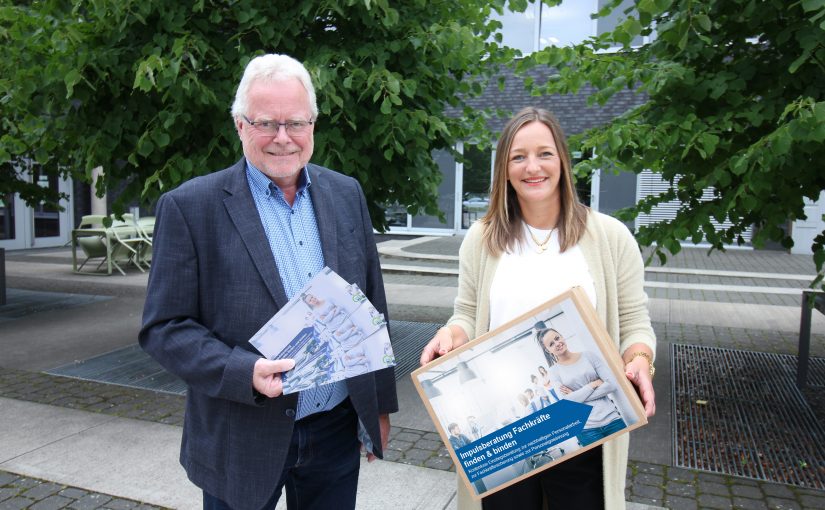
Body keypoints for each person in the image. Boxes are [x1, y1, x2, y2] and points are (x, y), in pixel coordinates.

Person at [140, 53, 396, 510]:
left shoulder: (346, 193)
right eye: (266, 123)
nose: (283, 138)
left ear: (313, 125)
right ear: (240, 125)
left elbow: (371, 306)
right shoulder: (189, 207)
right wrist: (244, 372)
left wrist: (378, 405)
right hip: (241, 432)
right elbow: (164, 327)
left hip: (335, 429)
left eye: (296, 123)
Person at [419, 107, 656, 510]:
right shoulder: (481, 239)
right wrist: (451, 334)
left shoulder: (611, 237)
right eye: (518, 156)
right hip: (507, 427)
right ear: (504, 169)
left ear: (562, 160)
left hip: (584, 422)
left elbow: (635, 323)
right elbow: (467, 313)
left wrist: (639, 360)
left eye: (544, 153)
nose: (533, 167)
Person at [538, 328, 627, 446]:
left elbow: (611, 385)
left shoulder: (589, 356)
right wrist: (592, 385)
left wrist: (576, 394)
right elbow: (566, 402)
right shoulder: (554, 371)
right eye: (551, 344)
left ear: (562, 336)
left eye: (557, 338)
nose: (557, 343)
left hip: (612, 420)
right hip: (585, 429)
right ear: (548, 350)